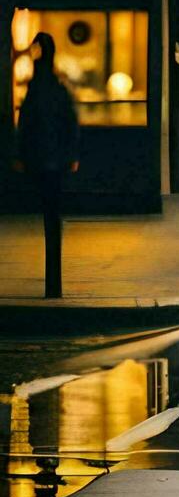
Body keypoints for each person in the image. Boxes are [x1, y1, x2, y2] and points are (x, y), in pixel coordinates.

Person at [15, 33, 79, 299]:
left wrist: (22, 153)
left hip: (43, 158)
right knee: (52, 217)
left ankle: (53, 283)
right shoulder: (56, 86)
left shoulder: (40, 87)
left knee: (49, 215)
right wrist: (71, 154)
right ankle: (54, 284)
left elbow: (27, 124)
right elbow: (69, 123)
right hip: (54, 158)